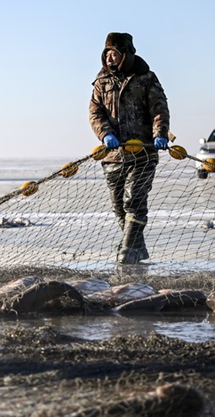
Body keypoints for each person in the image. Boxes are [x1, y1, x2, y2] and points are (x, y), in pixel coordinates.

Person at [89, 32, 171, 265]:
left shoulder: (146, 78)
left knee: (134, 200)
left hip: (143, 151)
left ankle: (126, 250)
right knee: (119, 207)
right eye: (107, 54)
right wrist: (105, 134)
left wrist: (160, 135)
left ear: (126, 54)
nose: (110, 58)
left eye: (114, 53)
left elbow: (159, 109)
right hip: (113, 155)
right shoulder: (101, 82)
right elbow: (95, 112)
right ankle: (137, 248)